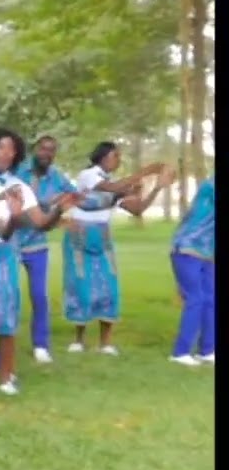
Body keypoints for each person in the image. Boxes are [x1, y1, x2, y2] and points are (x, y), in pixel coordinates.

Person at [0, 128, 75, 396]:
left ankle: (6, 376)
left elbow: (40, 223)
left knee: (6, 313)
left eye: (11, 149)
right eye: (0, 147)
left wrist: (57, 210)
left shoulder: (19, 186)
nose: (6, 153)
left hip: (5, 253)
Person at [64, 142, 171, 355]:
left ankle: (105, 343)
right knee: (81, 285)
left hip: (102, 239)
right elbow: (112, 189)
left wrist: (157, 186)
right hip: (79, 238)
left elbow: (138, 210)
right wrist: (146, 171)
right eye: (115, 156)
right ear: (102, 157)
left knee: (108, 287)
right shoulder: (88, 175)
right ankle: (79, 340)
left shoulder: (115, 184)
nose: (118, 160)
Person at [11, 136, 77, 364]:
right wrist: (50, 203)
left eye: (52, 150)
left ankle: (41, 345)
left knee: (40, 297)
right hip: (12, 242)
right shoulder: (18, 171)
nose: (46, 153)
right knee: (10, 296)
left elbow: (74, 196)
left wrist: (108, 196)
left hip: (37, 245)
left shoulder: (57, 176)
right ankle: (2, 348)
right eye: (43, 148)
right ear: (34, 149)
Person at [169, 176, 216, 366]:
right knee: (195, 298)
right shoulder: (211, 186)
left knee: (211, 299)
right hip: (187, 247)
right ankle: (180, 353)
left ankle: (207, 350)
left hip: (207, 252)